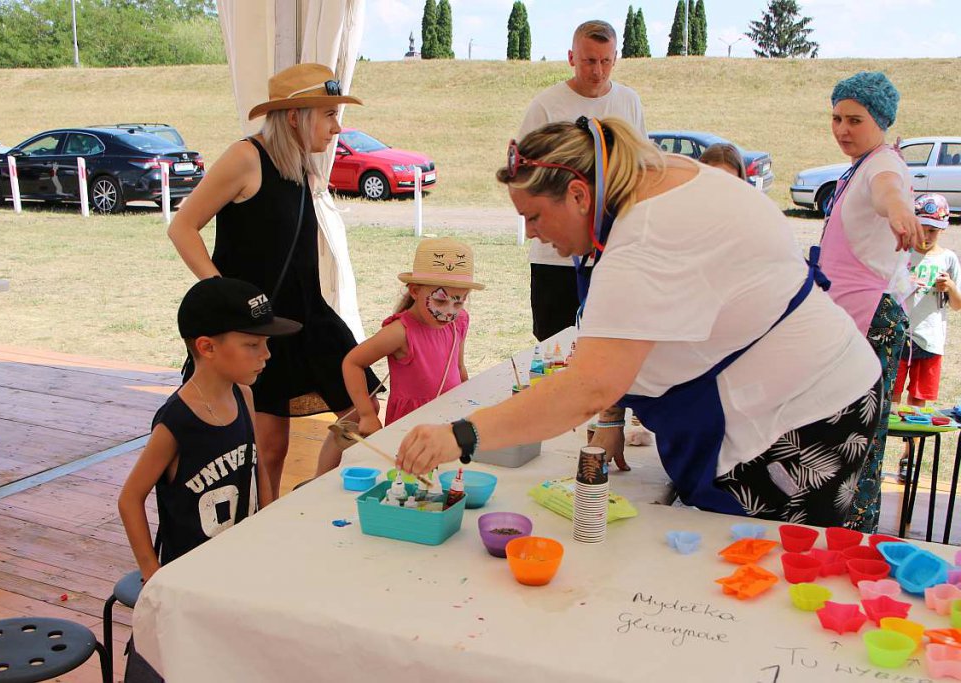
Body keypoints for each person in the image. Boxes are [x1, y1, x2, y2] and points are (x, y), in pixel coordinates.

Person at [397, 116, 884, 527]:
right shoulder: (657, 179)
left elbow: (589, 386)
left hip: (798, 421)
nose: (532, 235)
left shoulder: (645, 236)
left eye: (535, 217)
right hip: (821, 389)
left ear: (579, 194)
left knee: (758, 576)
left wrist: (459, 435)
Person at [167, 63, 381, 498]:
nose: (337, 127)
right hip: (259, 324)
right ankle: (264, 523)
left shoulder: (299, 164)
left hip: (309, 315)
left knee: (364, 410)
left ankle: (310, 495)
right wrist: (223, 297)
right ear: (294, 116)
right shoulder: (246, 157)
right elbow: (182, 227)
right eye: (327, 115)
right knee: (269, 448)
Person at [118, 277, 300, 682]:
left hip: (240, 567)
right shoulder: (176, 422)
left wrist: (269, 526)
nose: (266, 354)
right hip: (190, 583)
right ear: (207, 346)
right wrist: (153, 574)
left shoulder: (243, 395)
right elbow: (130, 498)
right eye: (253, 344)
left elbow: (256, 469)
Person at [517, 19, 647, 473]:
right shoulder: (546, 104)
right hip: (554, 257)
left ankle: (604, 428)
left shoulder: (627, 101)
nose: (597, 71)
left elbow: (640, 170)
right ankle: (554, 438)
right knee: (555, 345)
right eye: (589, 61)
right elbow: (523, 174)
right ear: (571, 57)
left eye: (606, 62)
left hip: (611, 252)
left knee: (606, 341)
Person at [819, 71, 923, 532]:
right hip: (845, 323)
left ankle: (852, 544)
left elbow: (890, 192)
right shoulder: (861, 163)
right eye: (837, 118)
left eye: (854, 120)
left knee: (860, 443)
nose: (842, 129)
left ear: (879, 121)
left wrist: (901, 211)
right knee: (839, 440)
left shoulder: (884, 163)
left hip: (871, 322)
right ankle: (835, 536)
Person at [342, 238, 483, 435]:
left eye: (458, 304)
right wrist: (367, 414)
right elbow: (352, 363)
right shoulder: (399, 332)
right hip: (408, 428)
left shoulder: (459, 322)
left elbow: (458, 367)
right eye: (439, 301)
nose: (448, 313)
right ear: (415, 291)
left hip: (449, 420)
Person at [893, 194, 960, 407]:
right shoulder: (901, 254)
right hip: (899, 335)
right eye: (922, 229)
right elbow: (887, 295)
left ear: (942, 229)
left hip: (930, 339)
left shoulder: (948, 259)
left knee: (918, 403)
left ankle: (910, 442)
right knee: (891, 397)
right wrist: (906, 284)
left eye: (932, 231)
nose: (926, 236)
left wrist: (949, 286)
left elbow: (958, 305)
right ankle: (885, 439)